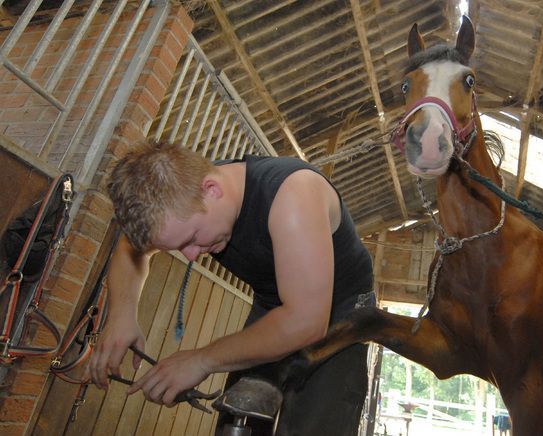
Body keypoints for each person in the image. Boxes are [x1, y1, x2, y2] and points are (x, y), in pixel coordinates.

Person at [87, 141, 375, 436]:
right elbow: (129, 248)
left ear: (212, 189)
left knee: (317, 427)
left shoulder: (293, 195)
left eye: (193, 238)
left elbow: (306, 322)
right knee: (240, 416)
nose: (191, 255)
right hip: (275, 306)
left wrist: (201, 360)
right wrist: (121, 314)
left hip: (341, 314)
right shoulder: (186, 198)